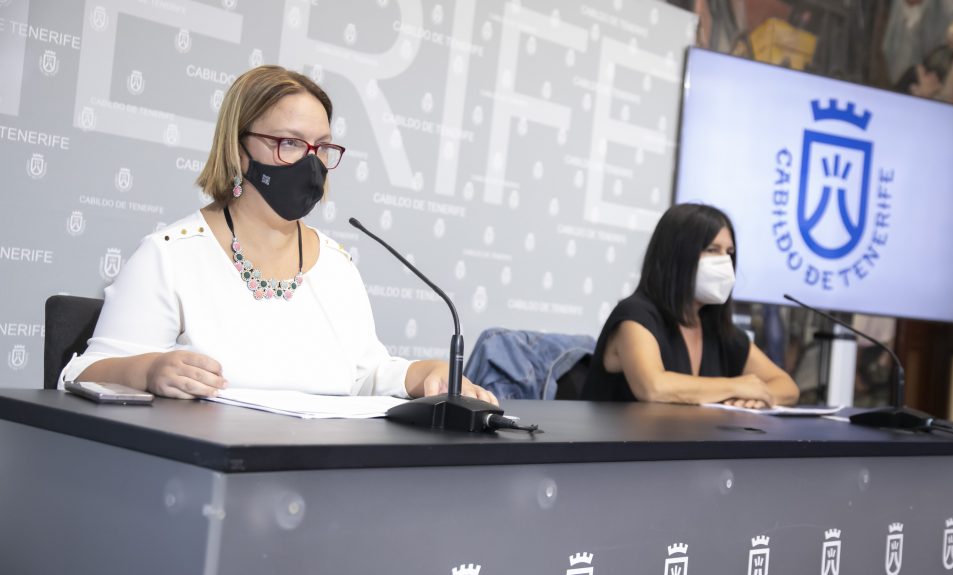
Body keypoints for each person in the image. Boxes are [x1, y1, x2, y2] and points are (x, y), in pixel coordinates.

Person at [60, 65, 497, 405]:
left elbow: (364, 375)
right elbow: (83, 373)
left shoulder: (336, 265)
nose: (312, 164)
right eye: (289, 143)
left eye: (322, 147)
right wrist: (149, 370)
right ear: (238, 148)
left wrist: (423, 373)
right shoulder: (171, 255)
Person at [581, 204, 799, 407]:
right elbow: (653, 388)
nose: (725, 262)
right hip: (616, 446)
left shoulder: (717, 329)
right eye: (713, 250)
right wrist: (736, 386)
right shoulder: (635, 316)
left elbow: (787, 387)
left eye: (729, 253)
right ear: (676, 256)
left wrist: (758, 398)